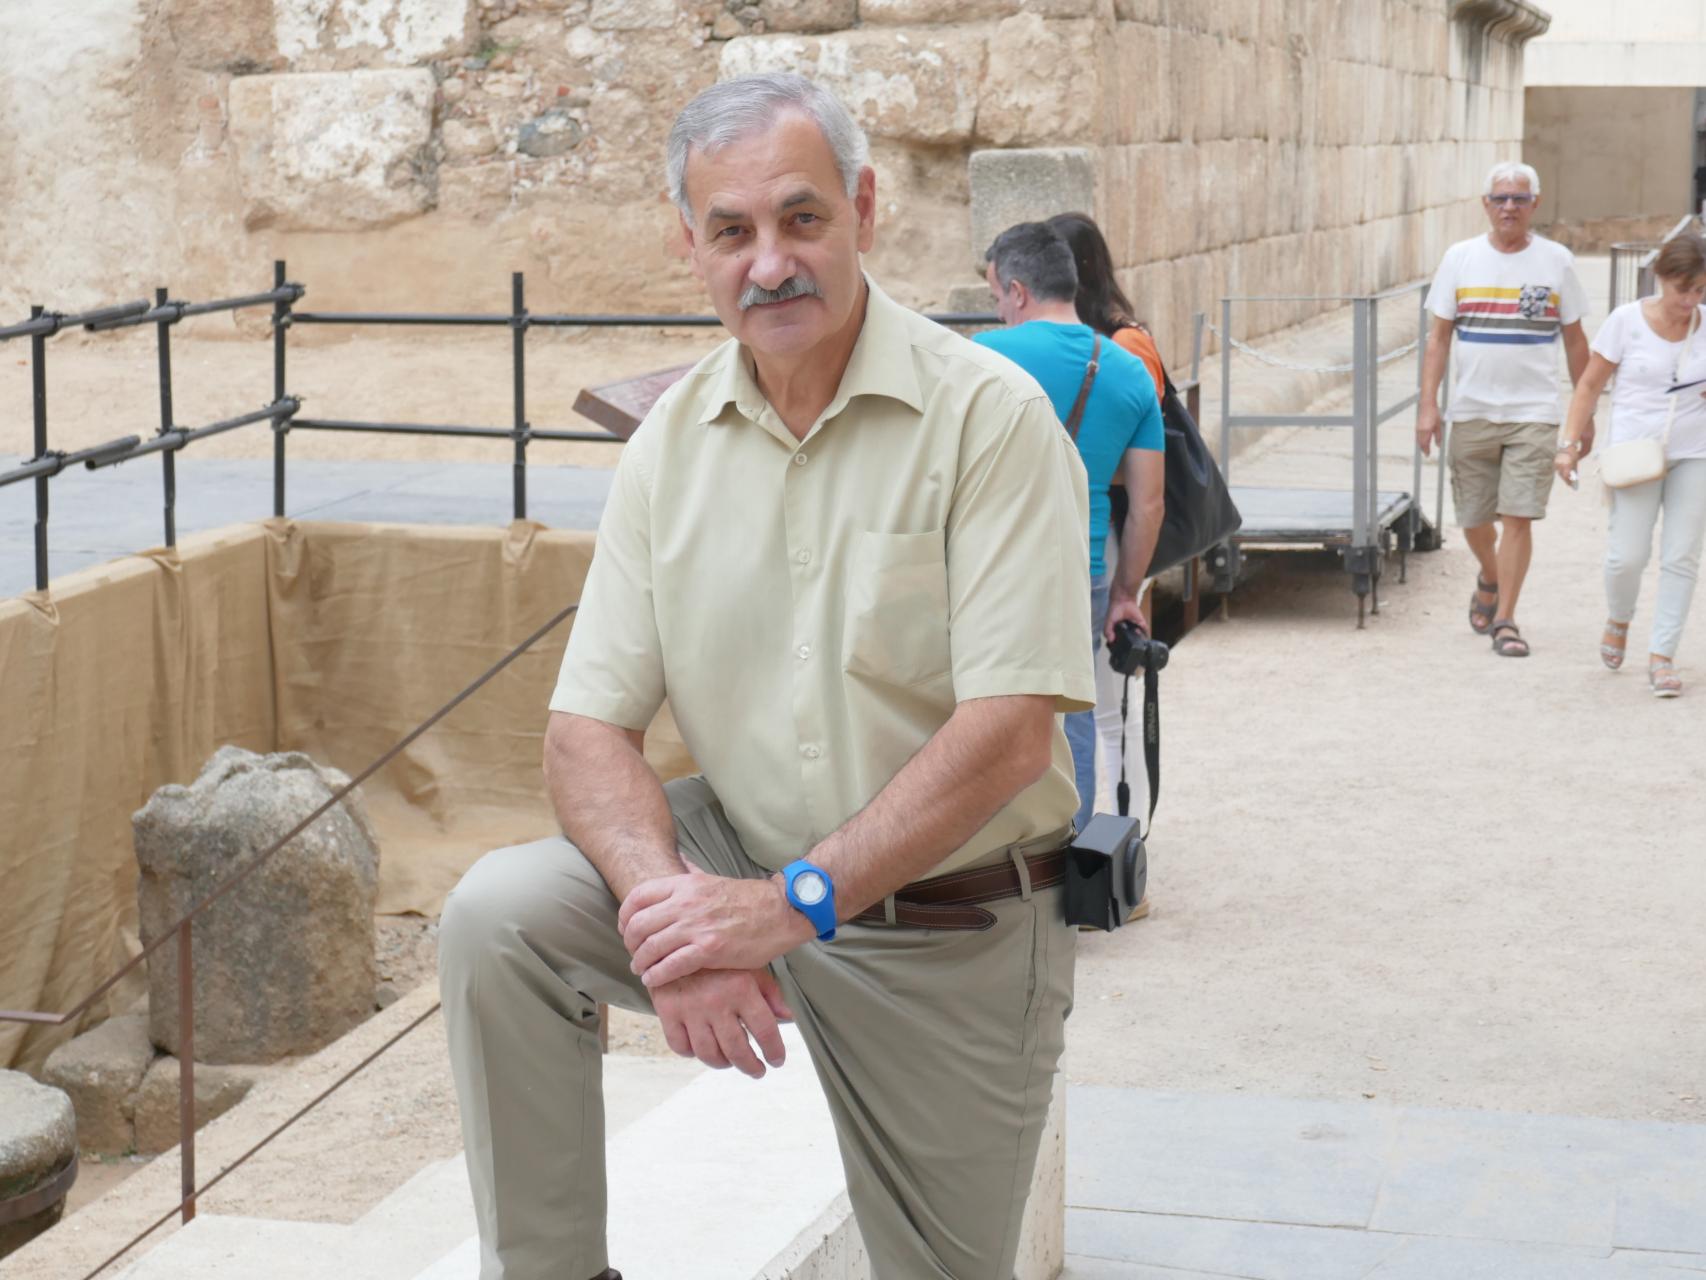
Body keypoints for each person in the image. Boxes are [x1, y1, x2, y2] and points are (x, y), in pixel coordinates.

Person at [437, 73, 1095, 1280]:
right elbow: (583, 732)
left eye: (800, 220)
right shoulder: (671, 446)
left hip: (948, 920)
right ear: (689, 245)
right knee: (499, 917)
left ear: (863, 207)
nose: (768, 263)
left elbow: (1007, 733)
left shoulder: (989, 419)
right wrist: (671, 914)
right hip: (742, 856)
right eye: (730, 231)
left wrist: (788, 903)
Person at [971, 221, 1165, 838]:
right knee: (1075, 712)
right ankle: (1071, 853)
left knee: (983, 709)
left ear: (1018, 290)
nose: (997, 307)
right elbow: (1149, 503)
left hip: (992, 567)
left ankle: (996, 855)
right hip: (1084, 568)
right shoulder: (1130, 370)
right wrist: (1126, 594)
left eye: (996, 293)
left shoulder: (979, 361)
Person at [1417, 160, 1592, 657]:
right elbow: (1438, 339)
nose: (1509, 207)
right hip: (1470, 408)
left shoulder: (1557, 261)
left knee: (1518, 516)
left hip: (1533, 412)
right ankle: (1489, 577)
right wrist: (1428, 406)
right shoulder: (1460, 258)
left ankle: (1507, 619)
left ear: (1535, 203)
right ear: (1486, 205)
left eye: (1519, 198)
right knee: (1474, 517)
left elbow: (1576, 340)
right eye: (1500, 198)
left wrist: (1585, 414)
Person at [1049, 211, 1165, 832]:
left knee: (1108, 702)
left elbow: (1142, 459)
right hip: (1089, 529)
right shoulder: (1083, 344)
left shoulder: (1126, 344)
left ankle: (1125, 844)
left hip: (1115, 532)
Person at [1556, 233, 1706, 696]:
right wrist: (1568, 444)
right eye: (1684, 289)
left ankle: (1662, 656)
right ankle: (1619, 617)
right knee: (1627, 557)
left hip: (1695, 451)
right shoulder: (1626, 321)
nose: (1690, 299)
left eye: (1700, 289)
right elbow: (1588, 385)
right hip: (1635, 453)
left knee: (1681, 556)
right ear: (1661, 278)